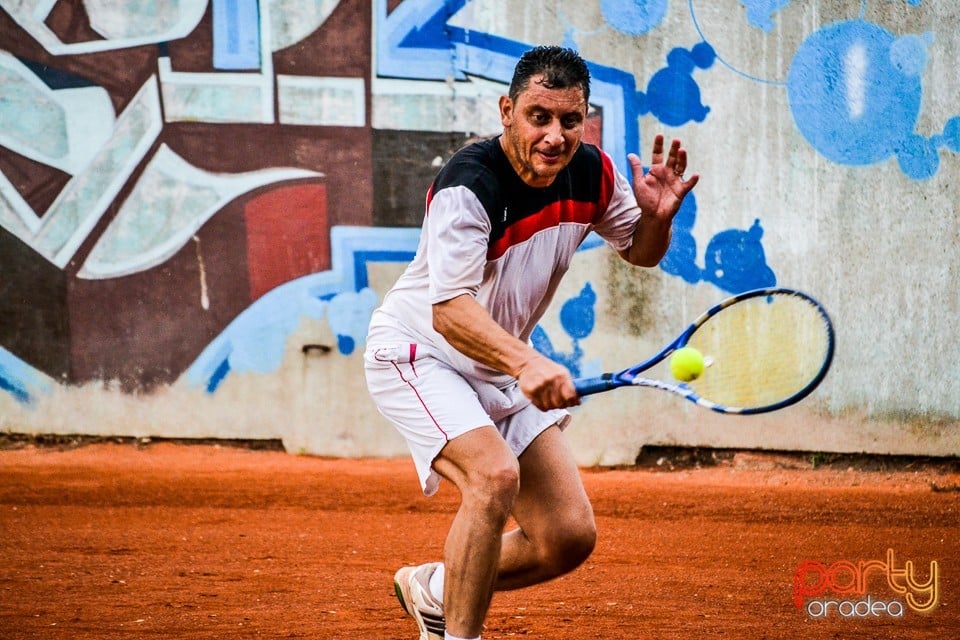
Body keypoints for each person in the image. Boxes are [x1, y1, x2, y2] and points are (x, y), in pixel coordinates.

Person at [363, 45, 698, 640]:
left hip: (496, 364)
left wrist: (659, 218)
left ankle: (435, 589)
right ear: (507, 111)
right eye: (538, 116)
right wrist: (527, 362)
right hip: (418, 353)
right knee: (491, 478)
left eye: (570, 120)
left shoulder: (592, 174)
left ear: (585, 120)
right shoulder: (469, 185)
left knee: (566, 537)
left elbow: (641, 254)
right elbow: (450, 314)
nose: (554, 135)